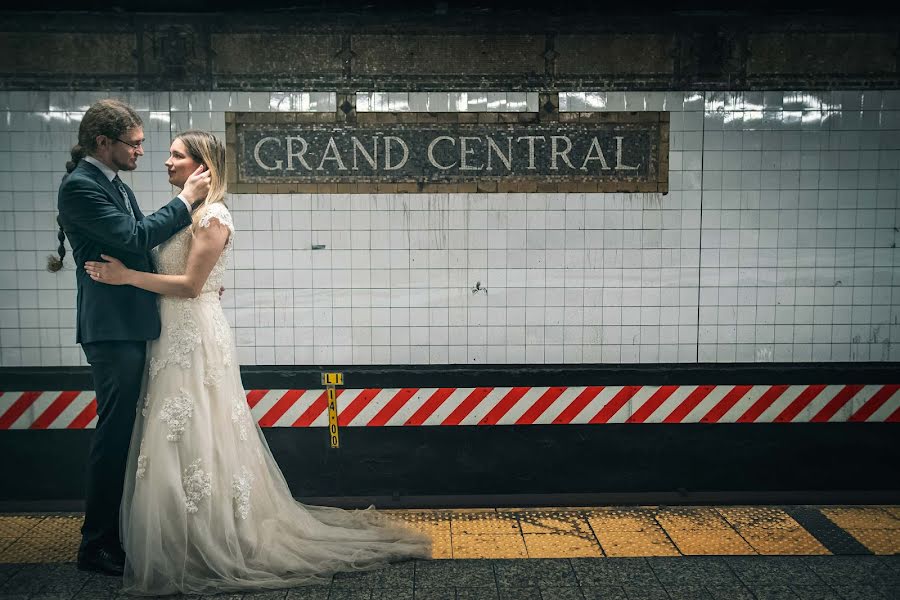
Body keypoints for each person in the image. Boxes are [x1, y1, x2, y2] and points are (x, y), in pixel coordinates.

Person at [84, 130, 430, 594]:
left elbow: (188, 285)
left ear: (203, 167)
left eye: (176, 156)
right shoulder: (184, 215)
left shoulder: (213, 216)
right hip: (169, 334)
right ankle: (180, 531)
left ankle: (212, 533)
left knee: (198, 427)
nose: (166, 162)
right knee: (173, 431)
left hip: (194, 334)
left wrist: (125, 277)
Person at [50, 99, 211, 577]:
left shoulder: (107, 182)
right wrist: (185, 202)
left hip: (131, 322)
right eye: (135, 144)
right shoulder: (81, 187)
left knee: (131, 430)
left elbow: (139, 245)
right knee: (116, 431)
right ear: (105, 142)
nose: (143, 152)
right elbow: (136, 237)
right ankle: (96, 544)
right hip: (112, 327)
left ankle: (121, 531)